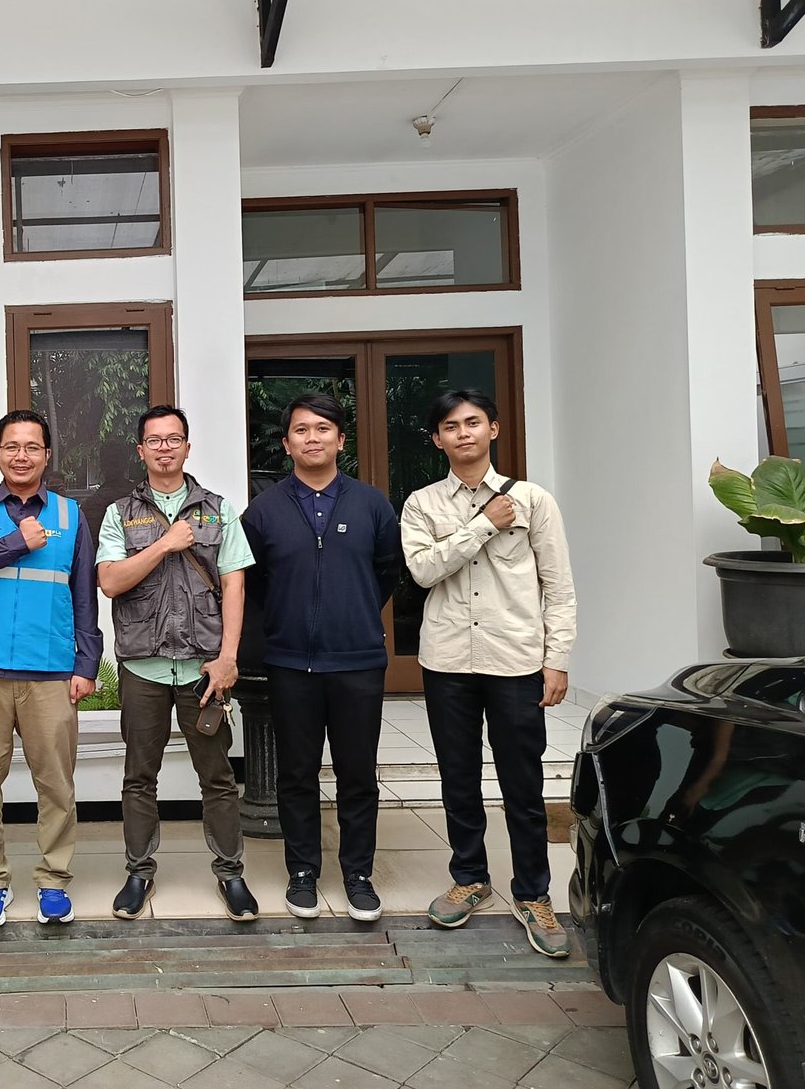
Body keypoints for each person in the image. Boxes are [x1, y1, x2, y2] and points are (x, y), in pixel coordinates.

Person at [401, 389, 577, 958]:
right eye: (451, 426)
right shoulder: (422, 504)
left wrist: (557, 659)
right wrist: (481, 525)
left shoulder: (533, 500)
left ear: (493, 430)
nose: (464, 433)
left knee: (522, 783)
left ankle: (534, 893)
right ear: (437, 439)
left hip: (516, 660)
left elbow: (559, 586)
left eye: (473, 422)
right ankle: (470, 878)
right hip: (447, 660)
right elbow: (423, 571)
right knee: (458, 776)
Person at [241, 392, 401, 924]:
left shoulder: (372, 504)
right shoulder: (263, 511)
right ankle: (303, 871)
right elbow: (252, 584)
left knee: (357, 774)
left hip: (358, 662)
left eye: (323, 428)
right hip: (291, 664)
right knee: (296, 774)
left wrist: (352, 613)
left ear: (340, 439)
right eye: (302, 429)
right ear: (287, 443)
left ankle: (358, 874)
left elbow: (388, 571)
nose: (313, 438)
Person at [96, 406, 258, 922]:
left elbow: (234, 585)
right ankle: (138, 872)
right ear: (140, 450)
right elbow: (110, 581)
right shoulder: (120, 513)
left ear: (188, 447)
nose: (164, 448)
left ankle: (231, 874)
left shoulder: (218, 511)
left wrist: (228, 657)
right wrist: (165, 544)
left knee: (218, 777)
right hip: (142, 666)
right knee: (139, 777)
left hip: (203, 667)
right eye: (155, 440)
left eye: (173, 439)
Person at [0, 409, 101, 927]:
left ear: (47, 455)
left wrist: (86, 663)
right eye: (11, 446)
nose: (21, 455)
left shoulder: (70, 515)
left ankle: (54, 880)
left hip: (49, 668)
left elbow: (84, 595)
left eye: (32, 446)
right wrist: (17, 542)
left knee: (55, 784)